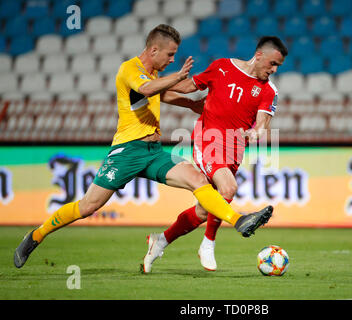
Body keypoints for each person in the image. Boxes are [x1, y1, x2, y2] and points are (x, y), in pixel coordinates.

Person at [14, 24, 273, 270]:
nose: (172, 59)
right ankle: (36, 235)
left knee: (197, 180)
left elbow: (163, 93)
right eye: (170, 54)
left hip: (153, 152)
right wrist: (179, 76)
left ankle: (239, 220)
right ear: (154, 50)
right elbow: (149, 89)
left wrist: (191, 104)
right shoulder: (129, 69)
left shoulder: (154, 74)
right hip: (127, 151)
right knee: (88, 207)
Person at [142, 36, 287, 272]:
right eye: (272, 63)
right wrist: (155, 83)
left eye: (278, 67)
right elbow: (190, 87)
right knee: (228, 188)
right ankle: (208, 244)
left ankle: (161, 240)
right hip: (208, 139)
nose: (273, 70)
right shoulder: (222, 67)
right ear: (259, 55)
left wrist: (254, 134)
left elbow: (262, 125)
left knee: (205, 210)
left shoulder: (269, 91)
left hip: (233, 152)